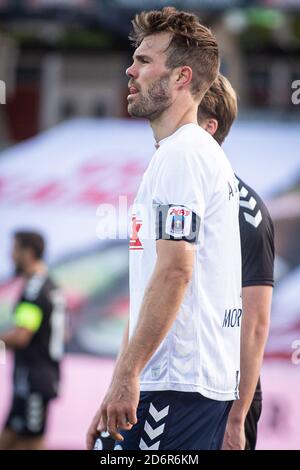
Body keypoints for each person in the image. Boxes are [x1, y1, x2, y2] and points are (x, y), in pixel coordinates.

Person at [87, 7, 242, 451]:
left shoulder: (184, 154)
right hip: (171, 381)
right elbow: (150, 286)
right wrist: (121, 378)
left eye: (144, 61)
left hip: (177, 384)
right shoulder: (179, 153)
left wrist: (128, 376)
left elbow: (176, 271)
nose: (130, 70)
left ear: (181, 78)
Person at [197, 74, 274, 450]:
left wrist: (236, 416)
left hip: (223, 395)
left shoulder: (246, 212)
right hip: (172, 383)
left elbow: (256, 323)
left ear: (209, 128)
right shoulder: (168, 189)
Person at [0, 231, 65, 450]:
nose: (10, 255)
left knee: (31, 443)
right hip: (32, 379)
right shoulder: (51, 285)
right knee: (9, 440)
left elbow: (20, 336)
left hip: (34, 381)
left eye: (14, 250)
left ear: (27, 253)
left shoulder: (34, 289)